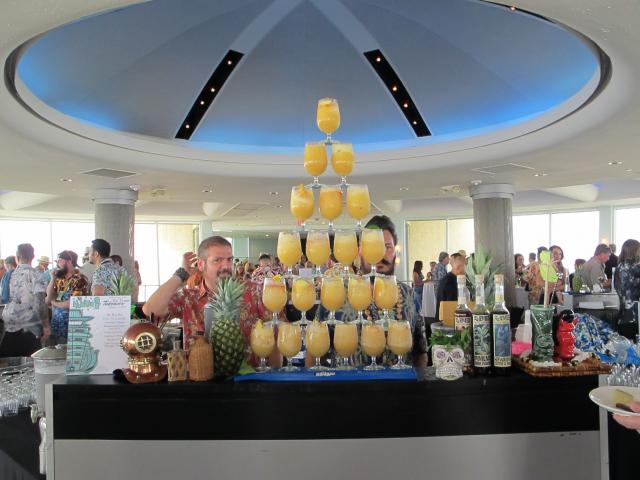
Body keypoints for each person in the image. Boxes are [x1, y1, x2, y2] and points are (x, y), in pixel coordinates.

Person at [142, 236, 281, 368]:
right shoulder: (189, 297)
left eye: (229, 260)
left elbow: (276, 331)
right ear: (201, 264)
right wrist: (181, 274)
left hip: (247, 377)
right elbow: (150, 309)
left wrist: (274, 376)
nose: (226, 266)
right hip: (200, 376)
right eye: (217, 260)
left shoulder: (253, 291)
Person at [0, 244, 49, 357]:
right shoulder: (37, 275)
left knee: (8, 362)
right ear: (33, 256)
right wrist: (46, 325)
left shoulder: (8, 275)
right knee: (31, 361)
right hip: (30, 326)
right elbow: (40, 303)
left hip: (10, 325)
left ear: (17, 257)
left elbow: (4, 298)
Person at [45, 250, 89, 344]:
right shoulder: (59, 279)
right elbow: (48, 298)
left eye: (60, 260)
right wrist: (53, 279)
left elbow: (73, 303)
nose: (57, 264)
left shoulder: (80, 280)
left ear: (69, 261)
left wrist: (54, 303)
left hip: (71, 329)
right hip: (56, 327)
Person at [613, 239, 640, 334]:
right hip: (636, 317)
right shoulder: (637, 268)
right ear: (635, 250)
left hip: (623, 316)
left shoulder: (619, 267)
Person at [435, 253, 465, 320]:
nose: (466, 270)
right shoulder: (448, 282)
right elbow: (451, 305)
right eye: (464, 266)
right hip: (446, 320)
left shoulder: (453, 279)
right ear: (458, 267)